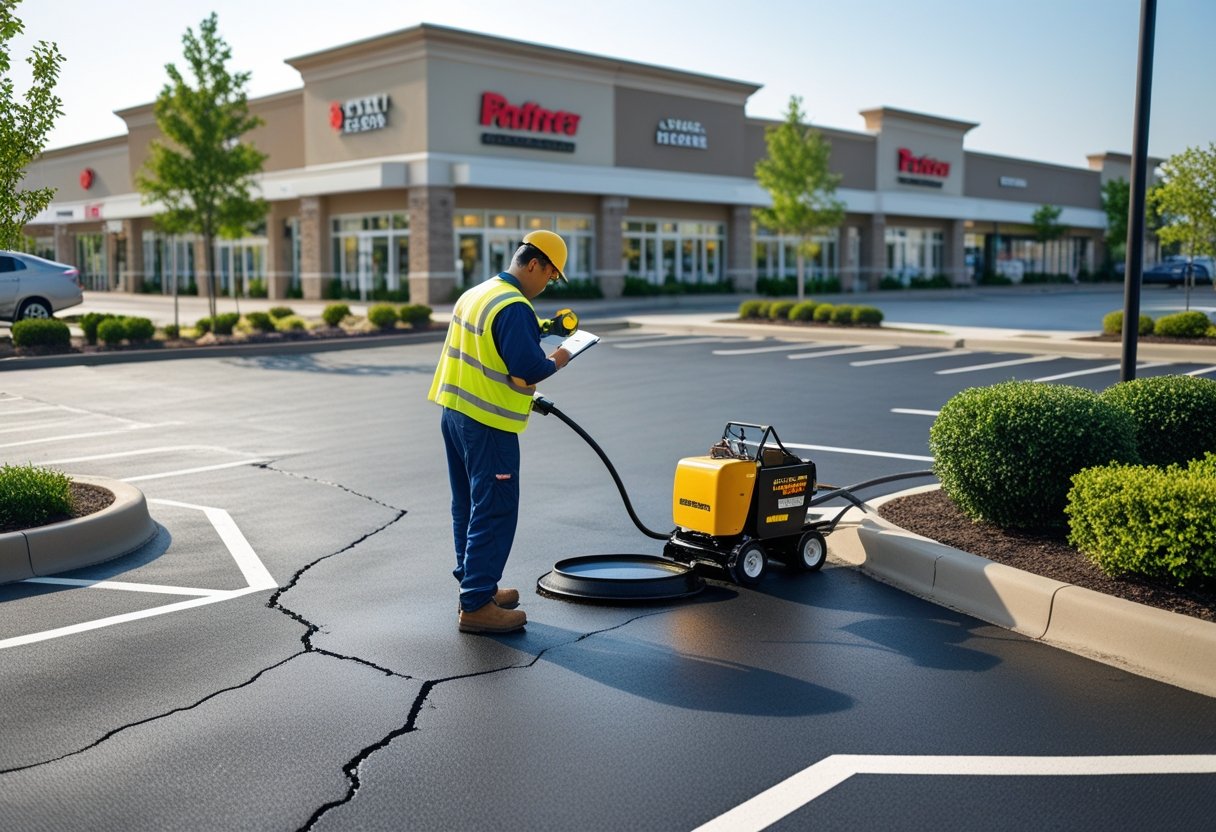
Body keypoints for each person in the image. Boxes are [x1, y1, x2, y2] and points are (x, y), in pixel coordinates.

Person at [428, 229, 575, 634]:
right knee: (494, 508)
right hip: (488, 422)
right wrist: (564, 354)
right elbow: (526, 370)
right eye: (550, 275)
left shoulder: (480, 293)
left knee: (469, 505)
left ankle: (476, 584)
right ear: (534, 264)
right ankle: (476, 606)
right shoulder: (514, 307)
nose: (548, 283)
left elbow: (498, 338)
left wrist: (543, 328)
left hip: (455, 413)